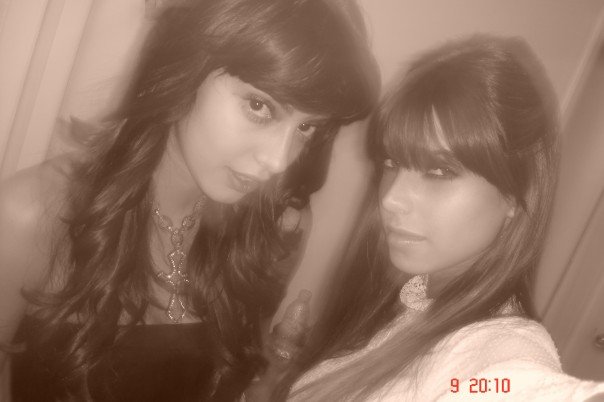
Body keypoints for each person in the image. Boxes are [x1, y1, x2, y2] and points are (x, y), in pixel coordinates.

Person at [0, 0, 379, 400]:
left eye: (307, 128)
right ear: (185, 69)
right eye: (259, 106)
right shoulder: (31, 215)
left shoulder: (273, 231)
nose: (279, 161)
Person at [278, 34, 604, 401]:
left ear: (514, 195)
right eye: (392, 162)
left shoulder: (499, 353)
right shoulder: (414, 294)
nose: (390, 199)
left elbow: (511, 386)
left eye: (439, 172)